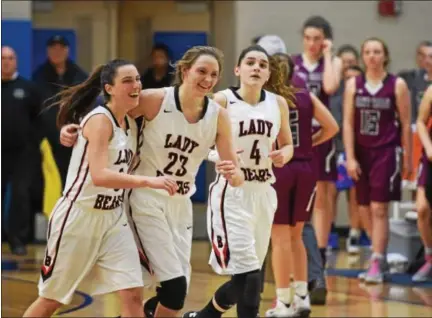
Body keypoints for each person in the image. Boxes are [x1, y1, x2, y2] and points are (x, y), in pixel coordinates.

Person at [24, 59, 179, 318]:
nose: (137, 85)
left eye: (138, 79)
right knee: (52, 300)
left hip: (113, 218)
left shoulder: (131, 123)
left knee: (132, 293)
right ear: (109, 88)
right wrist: (148, 181)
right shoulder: (99, 120)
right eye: (128, 80)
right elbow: (99, 175)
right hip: (79, 217)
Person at [183, 44, 294, 318]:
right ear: (238, 70)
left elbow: (289, 144)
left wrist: (284, 155)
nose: (256, 67)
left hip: (264, 193)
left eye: (262, 65)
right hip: (232, 194)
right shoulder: (221, 101)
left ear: (268, 74)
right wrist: (217, 156)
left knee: (246, 278)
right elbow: (196, 141)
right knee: (251, 276)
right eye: (251, 62)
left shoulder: (277, 103)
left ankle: (206, 315)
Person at [265, 51, 339, 318]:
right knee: (296, 237)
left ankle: (283, 302)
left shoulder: (268, 100)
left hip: (280, 168)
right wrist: (310, 142)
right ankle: (302, 297)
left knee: (280, 239)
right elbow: (332, 126)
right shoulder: (306, 96)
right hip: (307, 168)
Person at [343, 37, 412, 284]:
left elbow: (405, 124)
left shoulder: (397, 85)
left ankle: (376, 259)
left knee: (378, 208)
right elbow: (348, 123)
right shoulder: (354, 84)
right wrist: (350, 156)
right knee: (363, 209)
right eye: (368, 52)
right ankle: (379, 254)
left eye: (377, 51)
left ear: (385, 55)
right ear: (363, 56)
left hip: (386, 151)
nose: (372, 56)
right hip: (361, 152)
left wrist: (407, 158)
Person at [292, 16, 342, 267]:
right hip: (297, 136)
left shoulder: (333, 63)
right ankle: (299, 248)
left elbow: (331, 87)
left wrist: (329, 55)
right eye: (308, 38)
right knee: (299, 196)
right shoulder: (292, 63)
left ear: (325, 41)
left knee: (322, 196)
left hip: (322, 136)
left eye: (318, 39)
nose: (312, 43)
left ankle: (320, 253)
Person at [1, 46, 42, 255]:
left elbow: (39, 119)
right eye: (3, 58)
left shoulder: (28, 88)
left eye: (10, 58)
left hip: (23, 154)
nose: (6, 61)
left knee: (20, 196)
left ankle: (17, 240)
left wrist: (32, 144)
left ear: (16, 61)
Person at [330, 63, 365, 254]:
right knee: (331, 194)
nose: (351, 80)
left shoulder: (365, 98)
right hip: (337, 151)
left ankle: (354, 233)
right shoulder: (335, 99)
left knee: (355, 196)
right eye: (348, 77)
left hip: (359, 153)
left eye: (355, 77)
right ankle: (330, 233)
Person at [413, 85, 432, 282]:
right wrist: (428, 147)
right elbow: (420, 122)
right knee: (422, 209)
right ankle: (429, 257)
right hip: (430, 159)